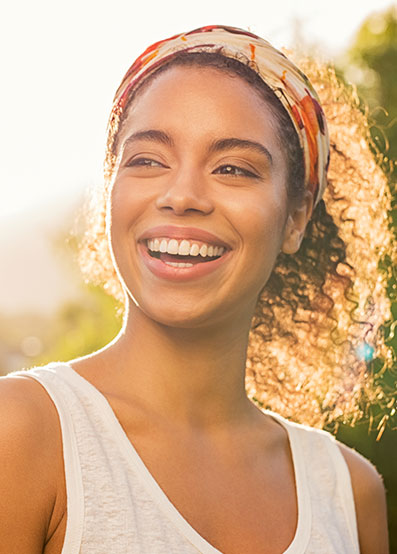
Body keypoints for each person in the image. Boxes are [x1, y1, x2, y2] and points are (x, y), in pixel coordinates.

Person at [0, 25, 392, 553]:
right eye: (147, 160)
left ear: (297, 215)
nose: (182, 195)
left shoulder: (349, 493)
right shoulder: (22, 432)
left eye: (233, 168)